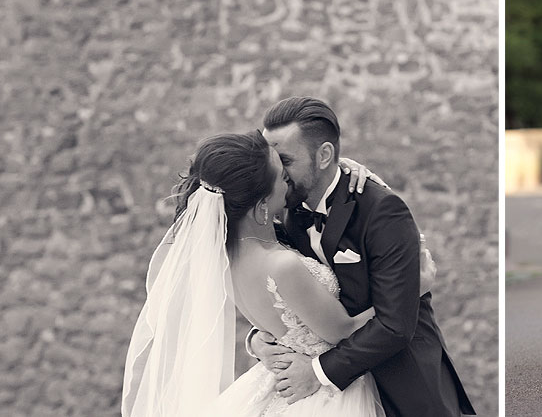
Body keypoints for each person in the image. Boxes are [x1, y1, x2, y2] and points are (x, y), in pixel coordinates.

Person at [121, 130, 386, 416]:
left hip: (274, 383)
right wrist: (411, 289)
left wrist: (256, 342)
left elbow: (279, 320)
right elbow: (343, 332)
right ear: (261, 206)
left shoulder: (224, 257)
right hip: (320, 390)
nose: (289, 181)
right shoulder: (281, 265)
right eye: (282, 178)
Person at [247, 97, 474, 416]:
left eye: (285, 161)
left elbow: (395, 325)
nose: (276, 174)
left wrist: (317, 373)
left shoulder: (382, 210)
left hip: (399, 385)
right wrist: (258, 338)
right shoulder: (286, 211)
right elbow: (285, 292)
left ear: (324, 155)